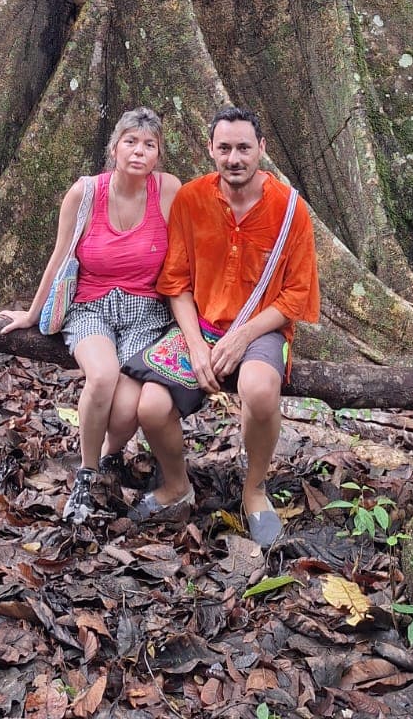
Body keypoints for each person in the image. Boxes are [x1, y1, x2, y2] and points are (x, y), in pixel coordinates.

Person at [130, 104, 319, 545]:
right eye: (225, 148)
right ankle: (177, 485)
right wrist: (196, 345)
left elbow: (296, 297)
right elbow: (175, 281)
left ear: (262, 150)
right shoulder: (192, 200)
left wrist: (242, 338)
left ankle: (254, 490)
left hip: (262, 328)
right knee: (150, 407)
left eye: (244, 148)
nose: (235, 158)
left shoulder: (291, 210)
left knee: (257, 388)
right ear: (210, 150)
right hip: (201, 325)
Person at [0, 107, 181, 524]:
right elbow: (59, 256)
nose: (139, 151)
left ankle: (110, 456)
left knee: (128, 410)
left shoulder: (167, 190)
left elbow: (188, 252)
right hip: (91, 306)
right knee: (102, 376)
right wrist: (32, 312)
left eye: (149, 145)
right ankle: (87, 474)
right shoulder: (85, 193)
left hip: (146, 314)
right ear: (114, 148)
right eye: (130, 142)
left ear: (158, 155)